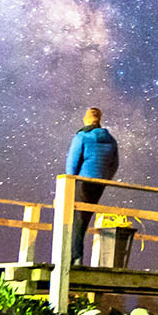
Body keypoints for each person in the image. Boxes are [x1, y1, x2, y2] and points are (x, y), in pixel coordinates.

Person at [64, 106, 119, 258]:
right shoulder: (111, 140)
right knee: (84, 218)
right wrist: (105, 179)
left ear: (86, 119)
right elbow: (114, 164)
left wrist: (70, 183)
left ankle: (74, 258)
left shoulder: (82, 137)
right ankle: (75, 256)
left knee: (75, 219)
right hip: (99, 184)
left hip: (82, 182)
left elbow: (72, 163)